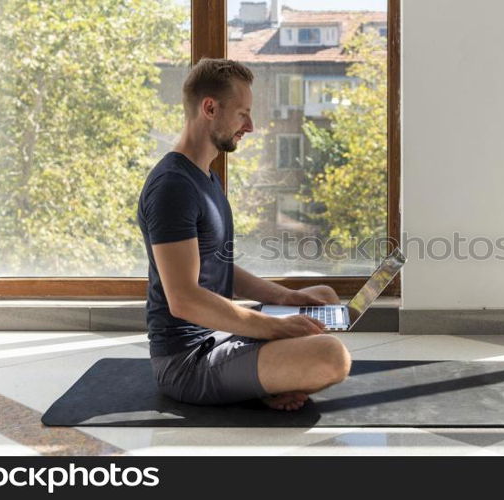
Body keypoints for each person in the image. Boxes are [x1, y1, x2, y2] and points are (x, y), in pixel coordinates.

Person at [137, 58, 351, 411]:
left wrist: (283, 298)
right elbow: (184, 299)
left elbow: (218, 268)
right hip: (189, 361)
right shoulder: (172, 186)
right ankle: (263, 379)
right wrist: (273, 328)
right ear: (209, 108)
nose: (250, 126)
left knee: (323, 296)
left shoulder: (204, 177)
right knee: (332, 357)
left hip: (221, 336)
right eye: (242, 114)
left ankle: (264, 379)